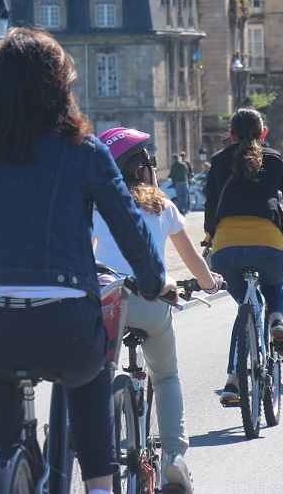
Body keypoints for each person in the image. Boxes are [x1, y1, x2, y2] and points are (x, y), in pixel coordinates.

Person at [0, 28, 170, 494]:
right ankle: (98, 486)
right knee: (92, 376)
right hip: (66, 328)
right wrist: (154, 282)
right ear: (61, 86)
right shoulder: (87, 151)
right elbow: (131, 232)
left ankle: (2, 461)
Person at [93, 127, 223, 493]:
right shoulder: (162, 206)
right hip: (152, 303)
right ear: (140, 169)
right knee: (165, 376)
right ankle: (174, 459)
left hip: (111, 301)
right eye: (150, 162)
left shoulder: (97, 204)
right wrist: (210, 283)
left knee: (98, 374)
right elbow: (193, 260)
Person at [203, 108, 283, 404]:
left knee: (245, 308)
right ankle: (277, 320)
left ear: (230, 136)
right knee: (276, 283)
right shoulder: (275, 160)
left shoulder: (218, 161)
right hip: (269, 245)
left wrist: (207, 237)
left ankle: (233, 380)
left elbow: (210, 206)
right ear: (263, 133)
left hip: (225, 250)